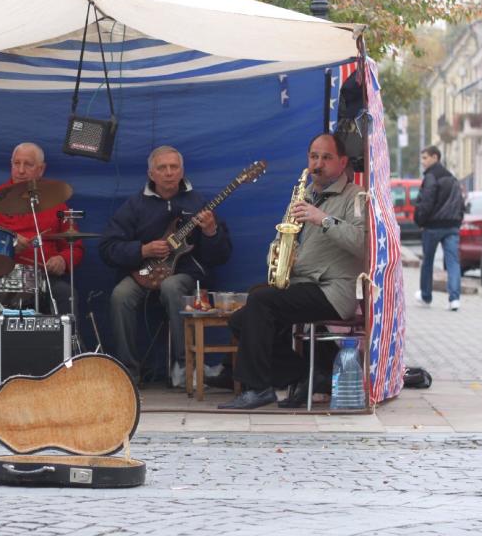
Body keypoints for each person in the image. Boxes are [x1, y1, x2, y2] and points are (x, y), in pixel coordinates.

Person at [219, 133, 365, 410]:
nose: (318, 163)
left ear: (342, 161)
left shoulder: (355, 197)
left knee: (261, 303)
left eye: (326, 157)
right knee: (240, 320)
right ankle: (308, 375)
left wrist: (322, 219)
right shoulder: (304, 195)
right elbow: (281, 238)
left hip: (332, 289)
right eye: (313, 156)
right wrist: (276, 256)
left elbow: (363, 244)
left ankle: (259, 388)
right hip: (301, 284)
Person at [99, 145, 232, 385]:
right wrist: (142, 250)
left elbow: (220, 257)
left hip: (184, 274)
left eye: (174, 167)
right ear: (151, 174)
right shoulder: (135, 205)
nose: (169, 172)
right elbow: (107, 247)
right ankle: (128, 372)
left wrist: (212, 232)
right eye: (162, 168)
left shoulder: (199, 202)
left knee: (172, 287)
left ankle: (185, 367)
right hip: (144, 272)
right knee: (120, 295)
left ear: (182, 171)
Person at [0, 143, 83, 316]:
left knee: (66, 295)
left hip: (44, 278)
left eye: (28, 164)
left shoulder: (58, 204)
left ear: (41, 169)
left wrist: (63, 259)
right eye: (16, 164)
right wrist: (8, 244)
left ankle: (66, 343)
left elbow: (75, 246)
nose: (20, 170)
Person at [414, 145, 464, 311]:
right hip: (452, 226)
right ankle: (454, 299)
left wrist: (420, 220)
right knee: (453, 262)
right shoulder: (451, 178)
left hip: (433, 226)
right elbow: (460, 202)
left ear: (435, 157)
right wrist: (457, 221)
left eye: (425, 158)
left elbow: (426, 202)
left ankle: (426, 296)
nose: (423, 162)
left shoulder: (431, 177)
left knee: (428, 261)